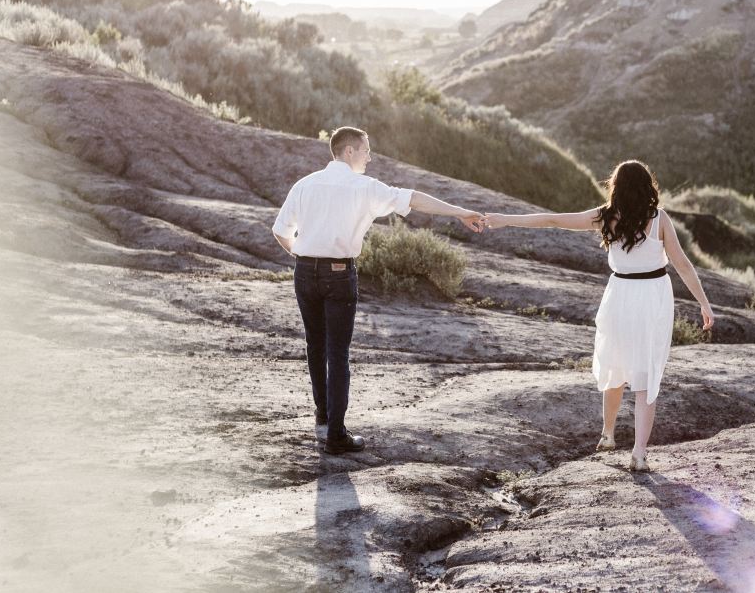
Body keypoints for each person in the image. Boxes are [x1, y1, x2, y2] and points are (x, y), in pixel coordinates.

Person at [484, 160, 714, 472]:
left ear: (615, 187)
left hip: (619, 295)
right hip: (652, 298)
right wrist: (703, 302)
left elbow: (553, 220)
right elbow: (683, 265)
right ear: (648, 186)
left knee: (614, 364)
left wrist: (504, 220)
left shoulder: (605, 216)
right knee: (646, 373)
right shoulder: (658, 219)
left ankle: (607, 435)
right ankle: (640, 453)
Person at [272, 126, 486, 454]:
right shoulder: (365, 187)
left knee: (315, 344)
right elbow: (413, 198)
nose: (370, 157)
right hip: (339, 274)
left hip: (304, 271)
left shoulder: (305, 184)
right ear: (348, 152)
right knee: (337, 352)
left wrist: (301, 254)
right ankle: (336, 435)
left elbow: (280, 231)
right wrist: (458, 212)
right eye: (366, 150)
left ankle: (323, 416)